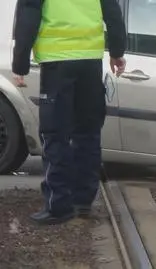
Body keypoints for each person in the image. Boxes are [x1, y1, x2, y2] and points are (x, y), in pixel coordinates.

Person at [12, 0, 127, 225]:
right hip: (90, 61)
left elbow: (28, 13)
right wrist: (116, 51)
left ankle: (58, 206)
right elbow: (112, 10)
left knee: (56, 134)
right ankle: (83, 201)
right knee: (88, 131)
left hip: (58, 62)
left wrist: (20, 63)